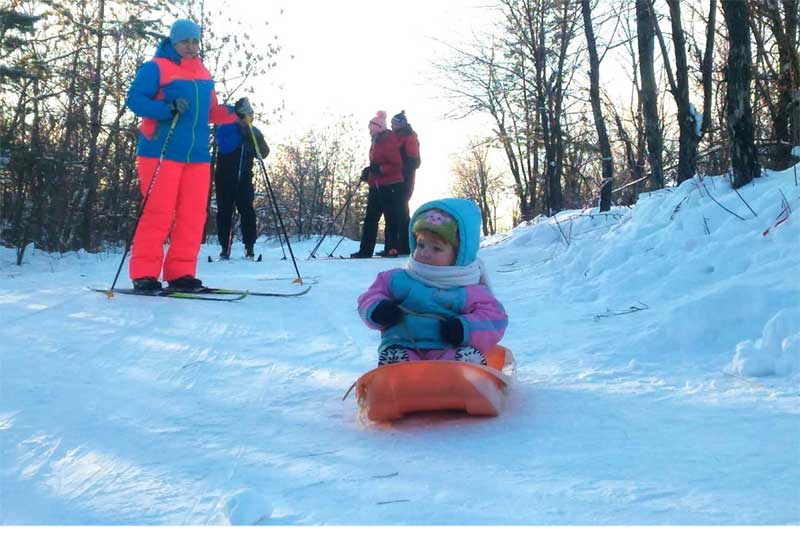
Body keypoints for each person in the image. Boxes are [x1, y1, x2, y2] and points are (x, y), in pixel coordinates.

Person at [126, 18, 246, 291]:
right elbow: (135, 100)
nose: (190, 46)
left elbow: (210, 112)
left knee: (193, 215)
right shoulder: (155, 68)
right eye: (185, 41)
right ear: (173, 41)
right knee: (158, 212)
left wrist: (235, 112)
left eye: (194, 41)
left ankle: (181, 273)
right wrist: (166, 107)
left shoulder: (203, 74)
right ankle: (144, 273)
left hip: (197, 155)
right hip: (161, 150)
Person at [357, 198, 508, 366]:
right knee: (402, 358)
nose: (425, 253)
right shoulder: (399, 279)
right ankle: (397, 369)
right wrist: (378, 309)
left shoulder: (467, 289)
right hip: (404, 344)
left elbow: (495, 319)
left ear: (458, 254)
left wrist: (463, 328)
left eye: (436, 248)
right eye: (421, 245)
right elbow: (369, 297)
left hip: (447, 347)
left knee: (452, 360)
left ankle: (463, 368)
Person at [214, 100, 269, 260]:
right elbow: (225, 146)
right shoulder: (227, 127)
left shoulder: (253, 131)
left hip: (245, 177)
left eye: (252, 114)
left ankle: (249, 246)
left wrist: (255, 138)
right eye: (247, 114)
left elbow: (263, 153)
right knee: (224, 211)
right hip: (225, 177)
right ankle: (225, 246)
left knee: (247, 210)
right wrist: (240, 133)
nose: (250, 117)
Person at [350, 111, 405, 258]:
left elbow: (396, 165)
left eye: (371, 127)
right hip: (377, 184)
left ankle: (391, 248)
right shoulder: (376, 140)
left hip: (391, 185)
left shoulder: (388, 140)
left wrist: (378, 169)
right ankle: (365, 250)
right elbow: (377, 162)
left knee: (390, 217)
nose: (369, 130)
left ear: (378, 127)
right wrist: (369, 172)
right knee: (370, 218)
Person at [389, 110, 421, 256]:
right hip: (392, 177)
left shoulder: (409, 135)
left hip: (404, 177)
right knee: (394, 211)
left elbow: (414, 159)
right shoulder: (392, 137)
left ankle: (405, 244)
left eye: (395, 123)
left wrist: (402, 171)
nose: (392, 125)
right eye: (392, 123)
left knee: (401, 210)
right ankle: (394, 244)